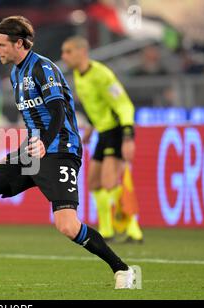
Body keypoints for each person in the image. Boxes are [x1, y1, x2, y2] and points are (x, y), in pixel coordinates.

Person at [0, 16, 137, 290]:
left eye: (0, 45)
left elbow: (57, 110)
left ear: (19, 43)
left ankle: (122, 269)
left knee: (67, 226)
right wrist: (31, 146)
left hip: (60, 151)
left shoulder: (44, 69)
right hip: (32, 151)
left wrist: (45, 141)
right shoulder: (15, 73)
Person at [61, 35, 143, 243]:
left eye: (68, 51)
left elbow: (124, 105)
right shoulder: (79, 76)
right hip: (103, 132)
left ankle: (133, 228)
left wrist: (128, 137)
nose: (64, 56)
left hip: (116, 131)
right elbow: (94, 107)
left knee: (109, 182)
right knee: (94, 182)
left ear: (82, 52)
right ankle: (106, 231)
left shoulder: (102, 74)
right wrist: (90, 128)